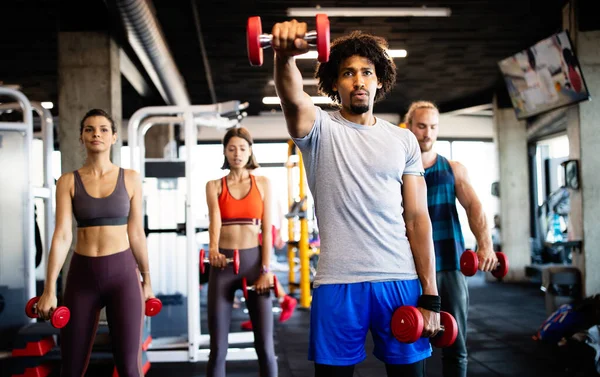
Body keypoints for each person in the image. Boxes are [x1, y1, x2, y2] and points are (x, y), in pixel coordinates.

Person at [271, 22, 441, 377]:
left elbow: (416, 219)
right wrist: (284, 57)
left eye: (367, 72)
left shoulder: (404, 140)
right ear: (335, 82)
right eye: (349, 73)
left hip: (398, 278)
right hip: (337, 281)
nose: (359, 80)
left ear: (379, 80)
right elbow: (292, 97)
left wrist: (430, 295)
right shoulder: (318, 128)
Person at [35, 109, 155, 377]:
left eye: (102, 129)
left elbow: (136, 232)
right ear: (81, 137)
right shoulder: (68, 181)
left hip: (123, 276)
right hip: (82, 276)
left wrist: (147, 282)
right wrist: (49, 289)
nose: (96, 134)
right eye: (89, 129)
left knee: (129, 368)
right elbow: (63, 234)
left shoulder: (131, 178)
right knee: (72, 369)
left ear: (113, 137)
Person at [405, 101, 498, 377]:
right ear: (409, 127)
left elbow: (474, 206)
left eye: (433, 127)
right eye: (421, 126)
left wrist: (486, 245)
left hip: (449, 264)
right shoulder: (399, 171)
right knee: (411, 343)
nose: (427, 133)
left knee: (456, 345)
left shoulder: (453, 168)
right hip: (410, 268)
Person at [205, 126, 279, 377]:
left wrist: (266, 270)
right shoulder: (214, 185)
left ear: (250, 152)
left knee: (265, 346)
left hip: (254, 264)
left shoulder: (264, 183)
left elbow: (267, 230)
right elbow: (214, 222)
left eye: (242, 148)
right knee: (217, 348)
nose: (237, 153)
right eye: (232, 148)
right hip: (222, 267)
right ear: (225, 152)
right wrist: (213, 250)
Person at [240, 223, 298, 331]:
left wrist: (278, 233)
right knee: (256, 271)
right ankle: (283, 299)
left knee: (259, 271)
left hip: (261, 228)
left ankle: (284, 300)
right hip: (263, 228)